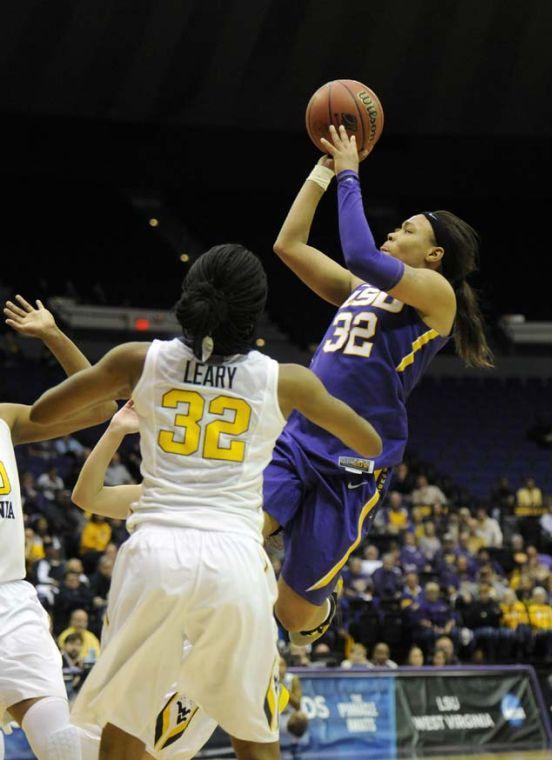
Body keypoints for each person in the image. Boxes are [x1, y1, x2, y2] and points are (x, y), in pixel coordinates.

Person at [31, 244, 381, 760]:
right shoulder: (285, 380)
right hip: (235, 560)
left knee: (124, 726)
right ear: (253, 311)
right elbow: (368, 443)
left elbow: (42, 414)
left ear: (189, 297)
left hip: (156, 553)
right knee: (254, 732)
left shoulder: (137, 360)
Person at [265, 123, 492, 647]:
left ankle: (318, 609)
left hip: (354, 462)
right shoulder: (360, 290)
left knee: (295, 617)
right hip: (300, 438)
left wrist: (351, 173)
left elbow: (363, 253)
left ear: (434, 256)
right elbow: (288, 243)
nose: (394, 233)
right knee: (239, 535)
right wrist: (323, 169)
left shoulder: (438, 295)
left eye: (408, 230)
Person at [0, 296, 115, 759]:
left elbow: (99, 405)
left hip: (11, 599)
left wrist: (53, 335)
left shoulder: (4, 417)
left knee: (63, 746)